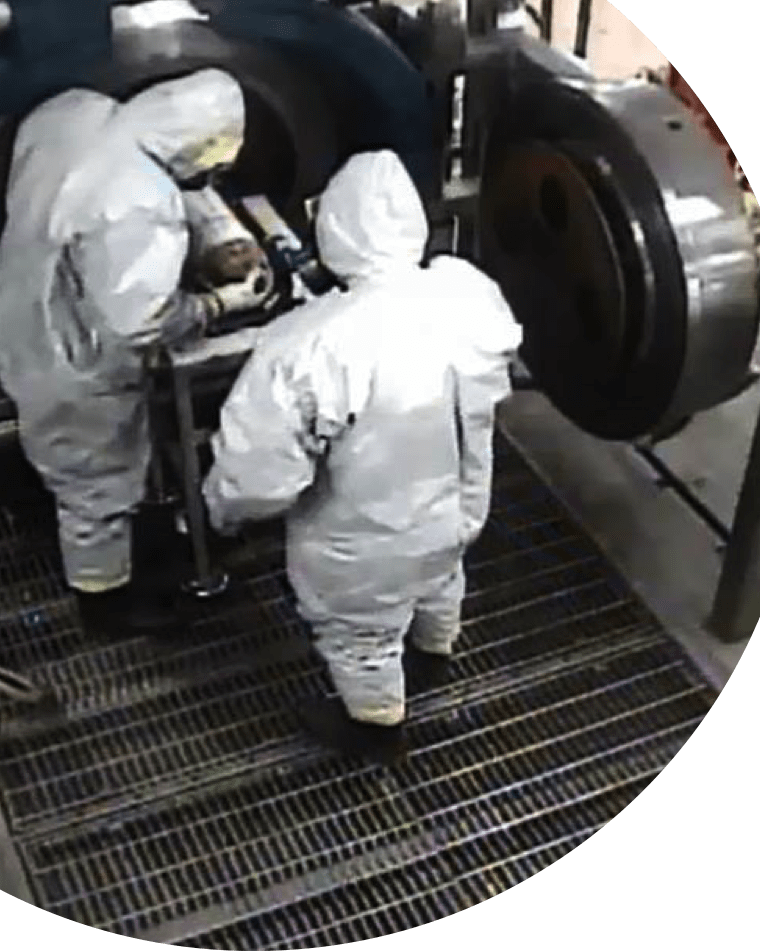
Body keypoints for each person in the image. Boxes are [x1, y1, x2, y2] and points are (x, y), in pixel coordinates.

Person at [201, 150, 522, 764]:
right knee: (439, 575)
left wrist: (218, 511)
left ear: (334, 230)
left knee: (361, 634)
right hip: (458, 505)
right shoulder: (464, 291)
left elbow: (259, 477)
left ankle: (376, 728)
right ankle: (434, 652)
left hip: (366, 541)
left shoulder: (306, 345)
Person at [0, 69, 273, 639]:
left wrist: (222, 237)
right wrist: (217, 304)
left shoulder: (79, 110)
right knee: (94, 483)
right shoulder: (140, 207)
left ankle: (124, 547)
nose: (212, 177)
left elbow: (169, 173)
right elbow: (141, 323)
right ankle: (107, 608)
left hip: (22, 299)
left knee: (86, 470)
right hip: (72, 359)